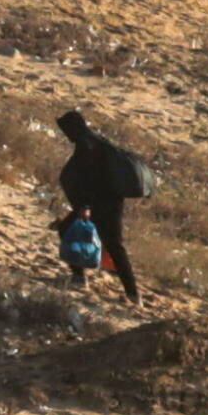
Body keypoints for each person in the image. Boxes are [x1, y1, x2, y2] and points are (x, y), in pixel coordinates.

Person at [54, 113, 151, 299]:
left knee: (112, 246)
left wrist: (85, 206)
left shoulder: (87, 146)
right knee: (113, 246)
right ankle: (130, 293)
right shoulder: (95, 141)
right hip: (109, 202)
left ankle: (130, 293)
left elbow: (92, 179)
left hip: (100, 203)